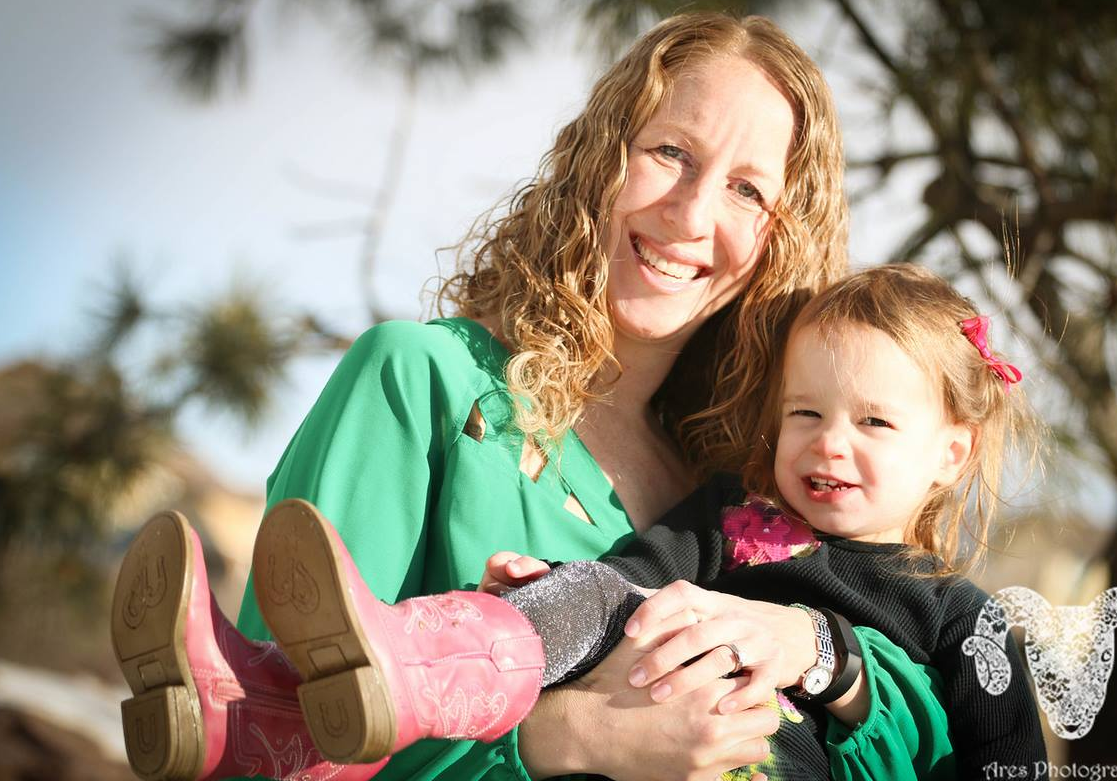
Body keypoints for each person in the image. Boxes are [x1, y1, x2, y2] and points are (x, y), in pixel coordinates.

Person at [110, 13, 957, 781]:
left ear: (781, 239)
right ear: (602, 156)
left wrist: (814, 644)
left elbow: (931, 735)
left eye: (747, 189)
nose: (692, 213)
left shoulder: (752, 488)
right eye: (670, 152)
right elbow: (280, 750)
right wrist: (571, 738)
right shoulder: (422, 382)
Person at [238, 264, 1047, 781]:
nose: (829, 442)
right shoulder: (734, 515)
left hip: (764, 761)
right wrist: (542, 588)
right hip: (651, 744)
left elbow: (1004, 758)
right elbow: (631, 576)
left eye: (873, 422)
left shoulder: (961, 615)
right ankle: (405, 666)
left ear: (951, 452)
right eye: (805, 412)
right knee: (599, 592)